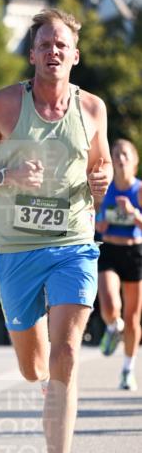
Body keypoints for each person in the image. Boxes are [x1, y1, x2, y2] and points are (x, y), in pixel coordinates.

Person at [0, 9, 111, 453]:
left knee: (67, 350)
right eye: (44, 43)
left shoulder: (92, 109)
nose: (52, 51)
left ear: (74, 55)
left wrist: (102, 183)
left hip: (73, 243)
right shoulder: (4, 105)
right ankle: (47, 387)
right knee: (34, 368)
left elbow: (100, 167)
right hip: (16, 252)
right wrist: (5, 173)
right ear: (32, 53)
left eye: (61, 45)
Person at [95, 139, 142, 390]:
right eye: (116, 155)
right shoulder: (106, 191)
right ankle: (114, 326)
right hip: (110, 250)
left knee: (133, 318)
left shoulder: (140, 190)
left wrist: (134, 214)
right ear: (111, 162)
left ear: (134, 160)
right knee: (111, 305)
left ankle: (127, 369)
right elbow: (95, 219)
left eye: (125, 154)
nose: (120, 158)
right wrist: (98, 224)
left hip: (135, 252)